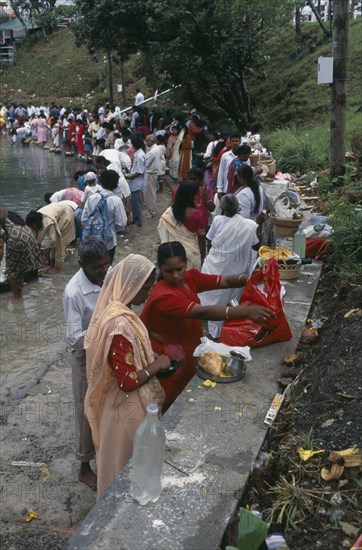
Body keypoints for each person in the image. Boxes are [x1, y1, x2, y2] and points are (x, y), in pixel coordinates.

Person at [141, 242, 275, 407]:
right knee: (168, 399)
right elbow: (202, 312)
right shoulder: (163, 295)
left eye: (180, 268)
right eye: (169, 271)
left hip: (185, 346)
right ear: (160, 269)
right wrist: (246, 311)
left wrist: (249, 280)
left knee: (185, 395)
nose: (176, 275)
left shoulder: (190, 278)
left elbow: (223, 281)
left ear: (186, 264)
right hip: (168, 355)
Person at [84, 254, 170, 498]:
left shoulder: (117, 311)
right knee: (125, 468)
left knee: (126, 468)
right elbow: (127, 381)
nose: (148, 294)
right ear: (130, 285)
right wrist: (159, 364)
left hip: (122, 407)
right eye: (145, 287)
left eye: (150, 287)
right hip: (125, 410)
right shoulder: (119, 325)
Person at [63, 239, 110, 491]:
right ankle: (84, 467)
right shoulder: (73, 292)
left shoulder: (108, 274)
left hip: (107, 349)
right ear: (82, 265)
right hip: (85, 355)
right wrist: (102, 335)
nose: (103, 271)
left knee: (107, 403)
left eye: (105, 264)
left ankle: (106, 452)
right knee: (85, 407)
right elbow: (73, 336)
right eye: (96, 268)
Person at [200, 194, 259, 338]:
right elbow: (257, 246)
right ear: (238, 207)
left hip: (215, 264)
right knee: (228, 295)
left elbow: (209, 240)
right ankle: (225, 327)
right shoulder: (249, 225)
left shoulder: (218, 220)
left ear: (222, 208)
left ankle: (214, 328)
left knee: (214, 296)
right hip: (235, 266)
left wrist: (208, 256)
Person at [81, 169, 127, 264]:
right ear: (116, 185)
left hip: (91, 241)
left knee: (93, 266)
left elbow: (84, 219)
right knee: (106, 267)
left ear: (100, 181)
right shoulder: (116, 201)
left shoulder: (91, 198)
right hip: (109, 242)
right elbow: (121, 224)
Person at [158, 182, 206, 269]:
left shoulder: (170, 212)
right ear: (191, 196)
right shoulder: (198, 215)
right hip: (192, 254)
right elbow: (201, 239)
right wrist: (203, 257)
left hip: (173, 254)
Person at [0, 207, 42, 299]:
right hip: (27, 233)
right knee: (19, 267)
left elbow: (1, 245)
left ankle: (16, 296)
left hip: (16, 238)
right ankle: (18, 293)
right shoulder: (4, 212)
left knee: (12, 270)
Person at [26, 202, 76, 273]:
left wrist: (46, 253)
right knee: (53, 244)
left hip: (65, 214)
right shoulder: (35, 220)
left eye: (33, 226)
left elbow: (54, 241)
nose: (32, 228)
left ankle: (57, 267)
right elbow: (36, 241)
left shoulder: (48, 222)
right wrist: (38, 255)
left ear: (37, 224)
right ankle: (52, 263)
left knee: (60, 242)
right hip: (56, 212)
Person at [126, 136, 146, 227]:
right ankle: (135, 218)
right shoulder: (137, 153)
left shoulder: (140, 155)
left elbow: (140, 171)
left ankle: (138, 221)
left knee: (136, 203)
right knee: (134, 203)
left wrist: (130, 177)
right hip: (135, 181)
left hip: (137, 182)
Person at [216, 132, 241, 197]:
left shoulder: (243, 156)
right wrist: (219, 189)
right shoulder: (225, 156)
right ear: (230, 142)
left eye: (236, 141)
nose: (235, 143)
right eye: (233, 141)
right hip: (226, 189)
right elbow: (221, 172)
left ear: (239, 142)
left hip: (239, 189)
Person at [144, 134, 162, 219]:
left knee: (150, 193)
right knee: (152, 192)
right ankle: (152, 210)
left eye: (147, 140)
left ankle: (151, 212)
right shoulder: (156, 148)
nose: (146, 142)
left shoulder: (153, 151)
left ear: (152, 141)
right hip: (153, 172)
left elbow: (146, 163)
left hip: (151, 173)